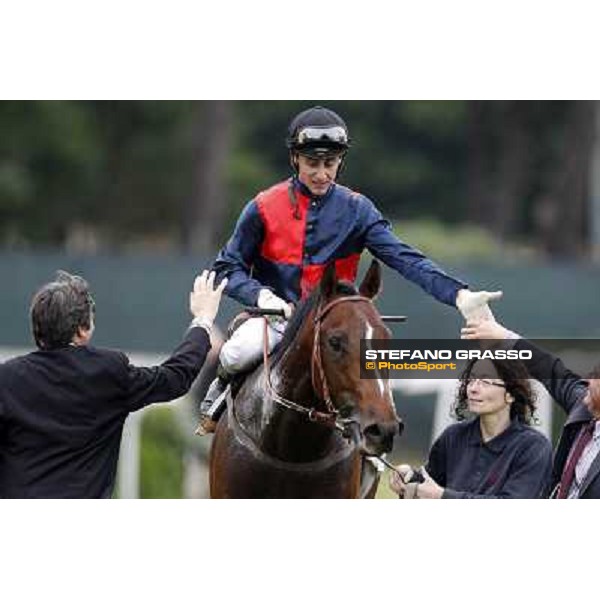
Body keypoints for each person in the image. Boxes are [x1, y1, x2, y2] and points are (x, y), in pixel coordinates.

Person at [196, 105, 502, 434]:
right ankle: (217, 400)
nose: (322, 173)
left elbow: (405, 257)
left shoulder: (358, 210)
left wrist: (457, 294)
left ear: (340, 161)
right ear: (295, 158)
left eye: (330, 163)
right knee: (235, 353)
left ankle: (371, 448)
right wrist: (262, 296)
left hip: (336, 327)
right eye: (313, 163)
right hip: (276, 320)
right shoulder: (262, 207)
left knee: (371, 375)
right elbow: (226, 268)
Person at [0, 269, 226, 498]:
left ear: (37, 331)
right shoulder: (107, 372)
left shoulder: (7, 378)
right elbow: (175, 377)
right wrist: (203, 320)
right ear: (82, 331)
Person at [462, 317, 600, 498]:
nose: (587, 381)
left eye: (595, 376)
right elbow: (549, 369)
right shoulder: (583, 406)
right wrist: (502, 336)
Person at [389, 357, 553, 499]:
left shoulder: (534, 447)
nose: (473, 388)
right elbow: (429, 485)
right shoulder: (453, 436)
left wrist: (442, 497)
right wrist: (409, 476)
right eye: (471, 380)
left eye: (485, 382)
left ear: (510, 394)